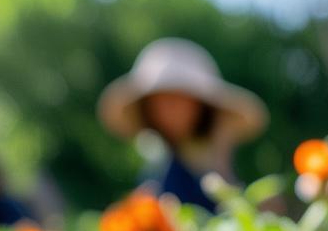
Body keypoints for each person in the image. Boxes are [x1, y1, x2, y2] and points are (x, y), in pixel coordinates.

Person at [97, 39, 268, 212]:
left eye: (177, 99)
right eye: (159, 101)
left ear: (201, 104)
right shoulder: (155, 166)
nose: (168, 109)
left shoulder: (216, 151)